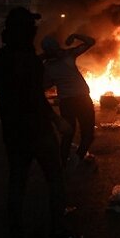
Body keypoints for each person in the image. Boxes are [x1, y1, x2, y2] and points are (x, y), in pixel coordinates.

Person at [0, 6, 83, 238]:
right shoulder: (29, 60)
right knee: (55, 179)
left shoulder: (2, 58)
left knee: (17, 183)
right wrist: (57, 120)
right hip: (37, 131)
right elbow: (33, 96)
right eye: (31, 27)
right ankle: (56, 234)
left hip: (13, 133)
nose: (35, 31)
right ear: (25, 31)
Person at [41, 33, 96, 170]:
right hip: (81, 100)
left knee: (68, 135)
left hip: (67, 102)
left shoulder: (48, 66)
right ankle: (76, 159)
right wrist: (76, 35)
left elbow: (45, 85)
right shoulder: (68, 55)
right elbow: (90, 41)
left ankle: (63, 165)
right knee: (87, 133)